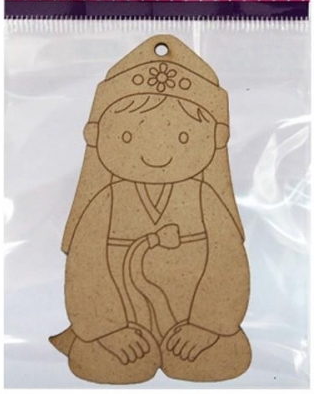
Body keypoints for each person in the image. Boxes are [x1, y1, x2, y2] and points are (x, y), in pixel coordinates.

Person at [50, 35, 251, 384]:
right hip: (122, 323)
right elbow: (85, 265)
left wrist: (207, 325)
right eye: (128, 136)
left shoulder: (205, 198)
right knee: (102, 360)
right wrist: (107, 328)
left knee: (226, 355)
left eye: (183, 137)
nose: (156, 154)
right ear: (95, 134)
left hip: (193, 323)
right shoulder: (107, 201)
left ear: (217, 138)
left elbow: (227, 259)